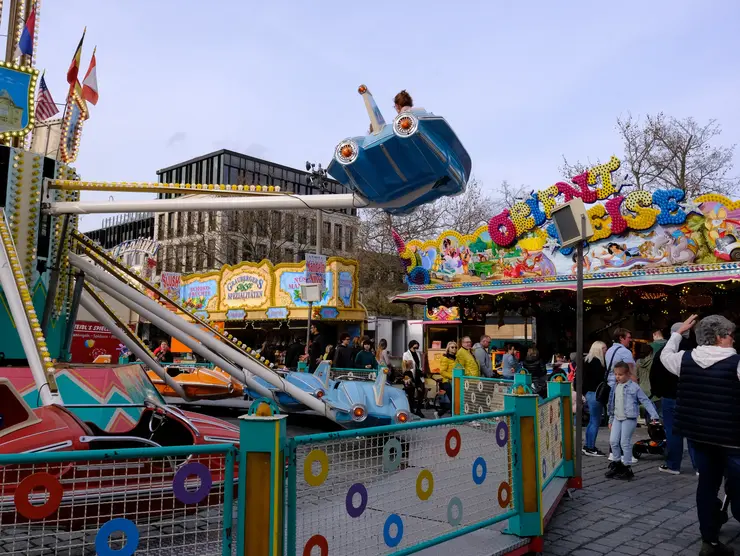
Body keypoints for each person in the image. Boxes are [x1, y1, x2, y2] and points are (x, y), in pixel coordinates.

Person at [661, 314, 740, 556]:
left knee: (706, 485)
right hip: (732, 438)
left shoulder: (684, 360)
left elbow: (664, 355)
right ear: (720, 337)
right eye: (731, 335)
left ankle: (710, 541)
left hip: (699, 435)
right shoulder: (736, 363)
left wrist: (678, 332)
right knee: (738, 485)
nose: (733, 339)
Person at [653, 322, 697, 475]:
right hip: (690, 396)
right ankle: (698, 466)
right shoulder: (695, 351)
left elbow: (655, 374)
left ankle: (673, 464)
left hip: (670, 396)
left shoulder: (664, 353)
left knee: (672, 431)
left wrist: (658, 391)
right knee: (693, 432)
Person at [605, 362, 660, 480]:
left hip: (629, 418)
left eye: (620, 374)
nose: (617, 377)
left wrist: (654, 415)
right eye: (615, 374)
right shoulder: (615, 386)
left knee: (625, 442)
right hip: (616, 417)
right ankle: (616, 463)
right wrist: (610, 418)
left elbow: (645, 400)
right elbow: (612, 403)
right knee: (613, 441)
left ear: (628, 374)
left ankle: (627, 467)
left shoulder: (634, 387)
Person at [582, 341, 608, 456]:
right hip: (596, 393)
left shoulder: (586, 360)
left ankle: (588, 445)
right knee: (595, 421)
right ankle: (591, 447)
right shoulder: (598, 363)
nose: (606, 351)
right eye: (604, 349)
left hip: (588, 393)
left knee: (592, 421)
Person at [402, 340, 425, 417]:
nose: (416, 348)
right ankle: (411, 410)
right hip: (409, 376)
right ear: (411, 346)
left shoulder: (418, 354)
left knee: (421, 392)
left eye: (417, 346)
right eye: (415, 346)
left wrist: (421, 372)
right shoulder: (406, 354)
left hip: (418, 376)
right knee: (410, 393)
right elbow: (405, 366)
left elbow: (419, 365)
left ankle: (418, 409)